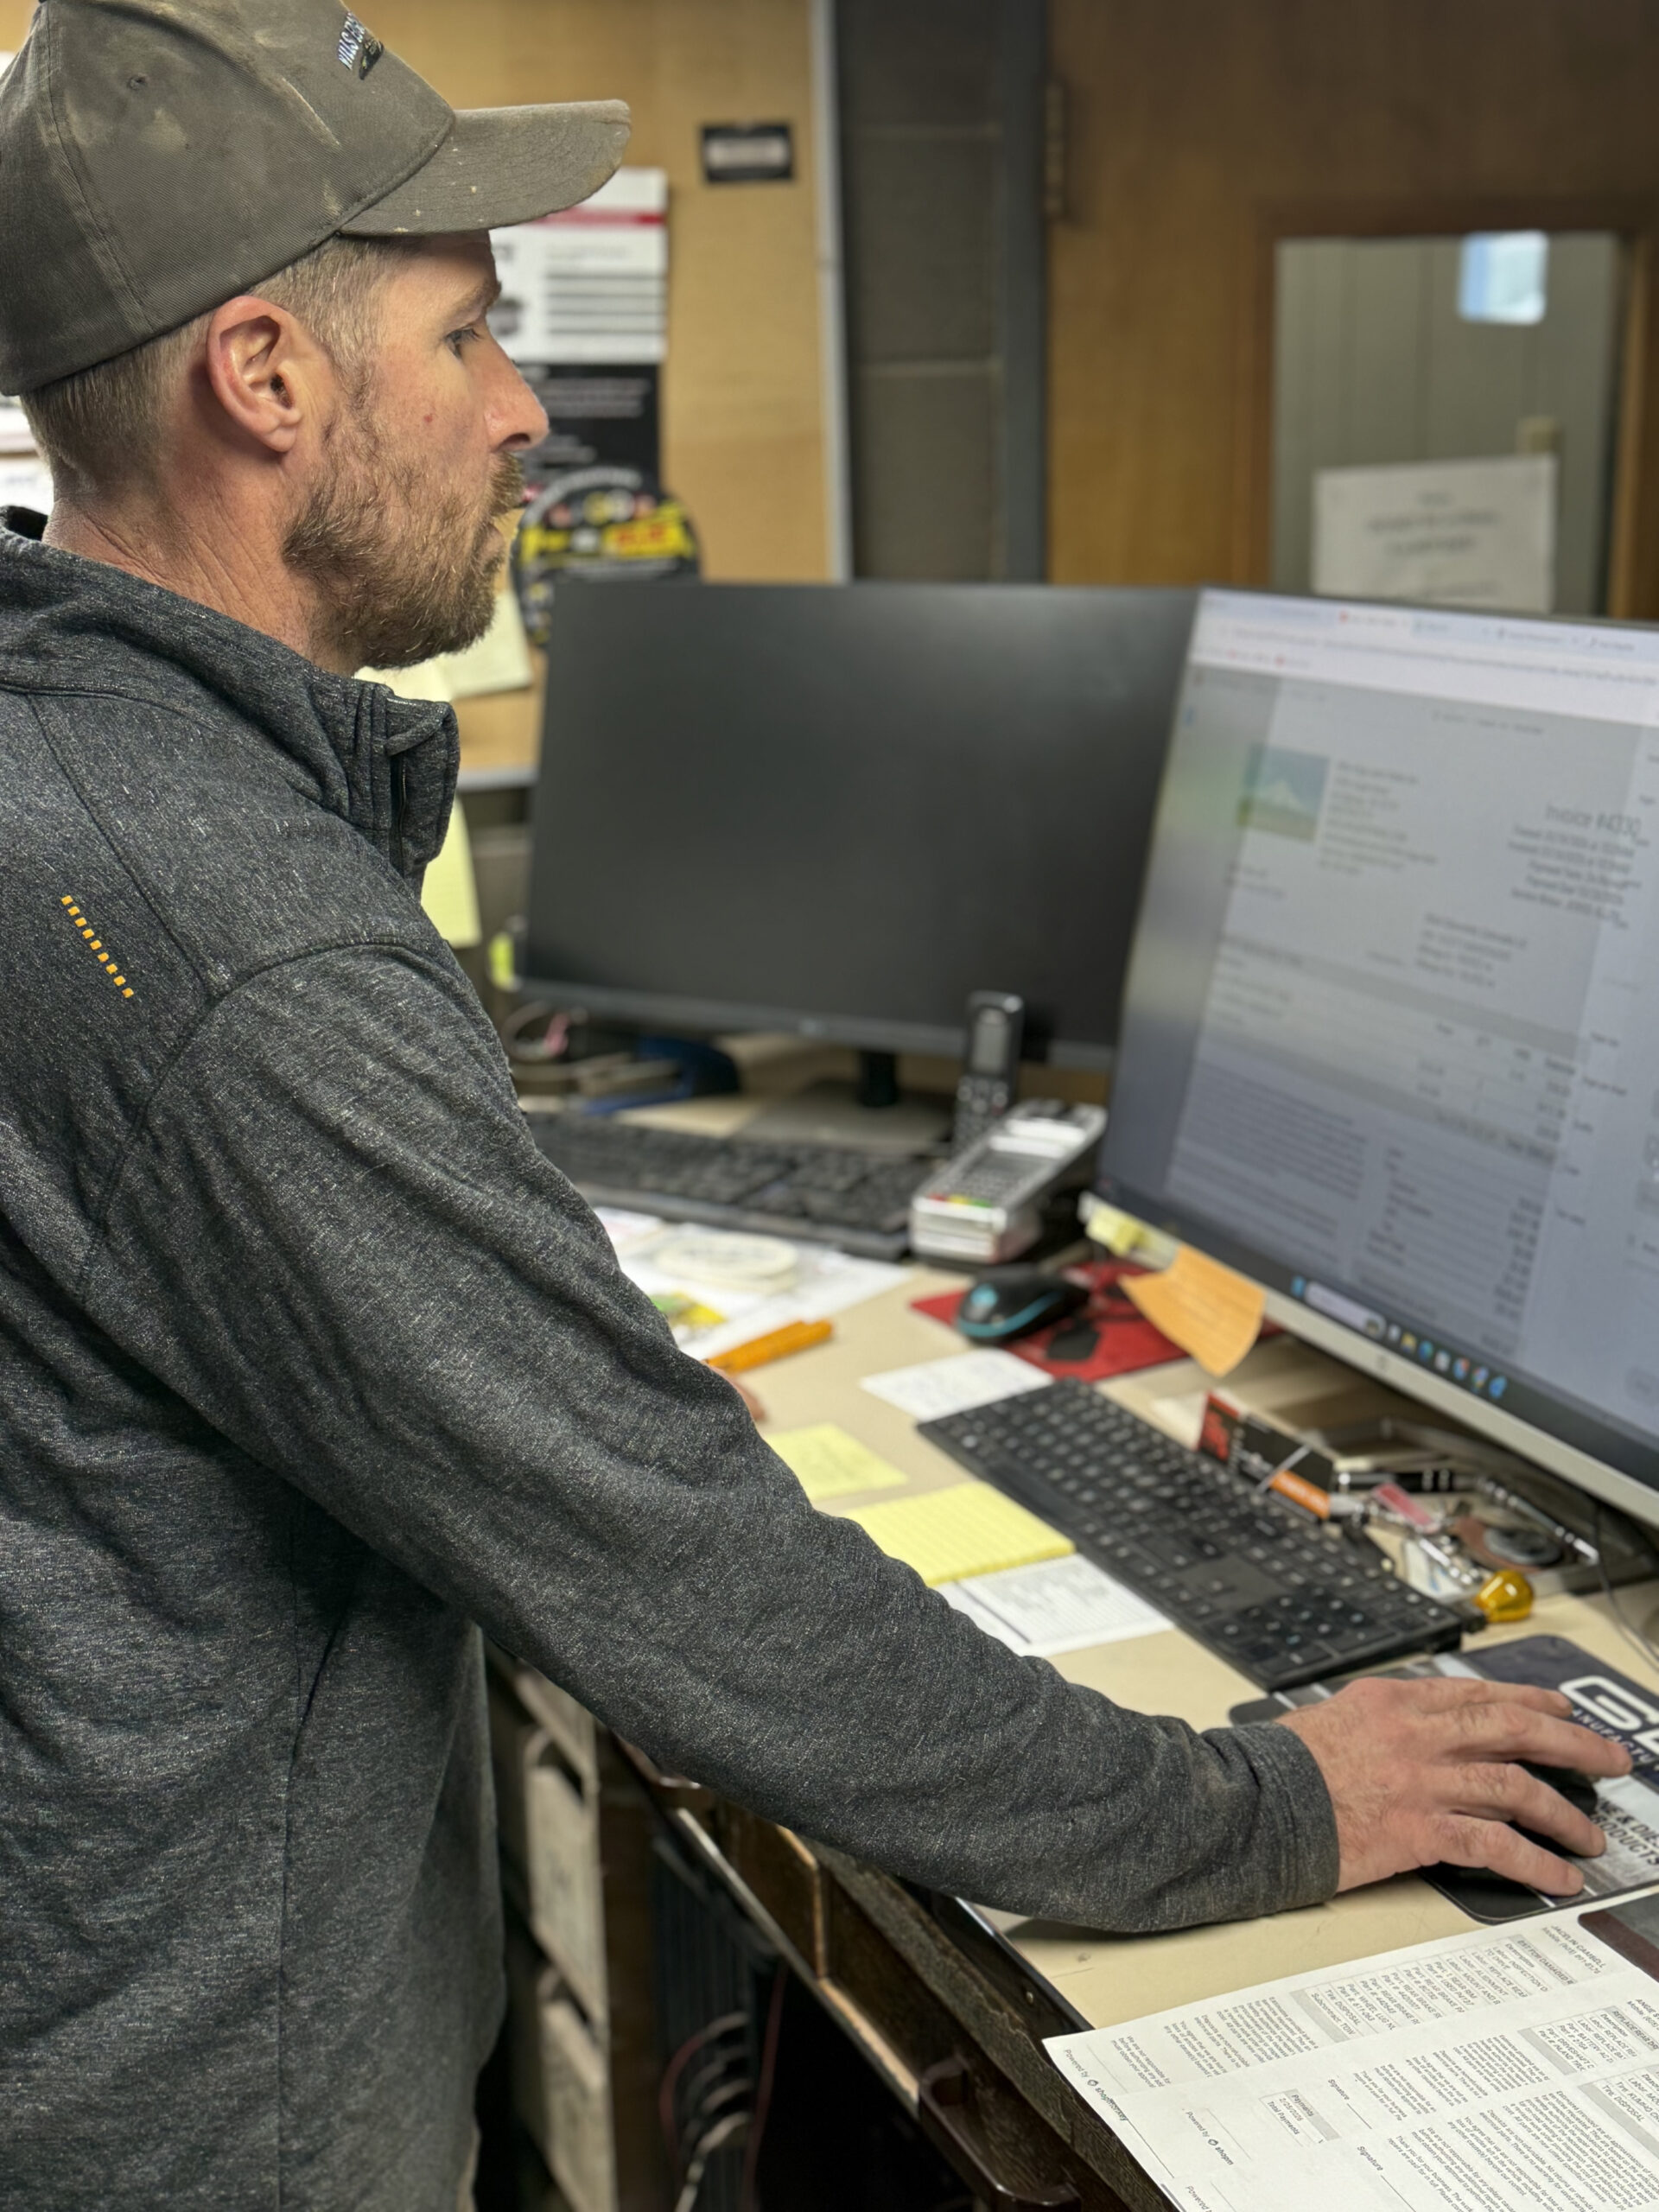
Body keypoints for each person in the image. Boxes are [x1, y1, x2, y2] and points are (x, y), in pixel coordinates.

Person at [0, 3, 1629, 2206]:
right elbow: (680, 1571)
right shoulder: (233, 938)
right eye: (469, 335)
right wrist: (1270, 1801)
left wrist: (564, 1391)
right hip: (196, 2115)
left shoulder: (67, 759)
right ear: (265, 375)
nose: (524, 406)